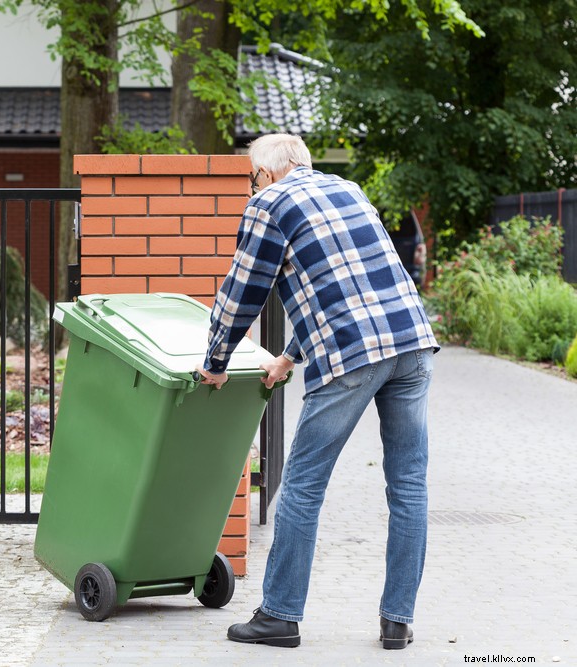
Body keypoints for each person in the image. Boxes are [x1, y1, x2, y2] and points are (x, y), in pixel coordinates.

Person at [195, 133, 439, 651]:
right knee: (409, 485)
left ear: (267, 173)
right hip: (412, 344)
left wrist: (214, 362)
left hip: (353, 354)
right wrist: (288, 357)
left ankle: (280, 616)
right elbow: (344, 287)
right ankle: (398, 621)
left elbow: (242, 293)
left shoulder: (269, 203)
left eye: (251, 179)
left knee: (303, 484)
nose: (251, 188)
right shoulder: (348, 189)